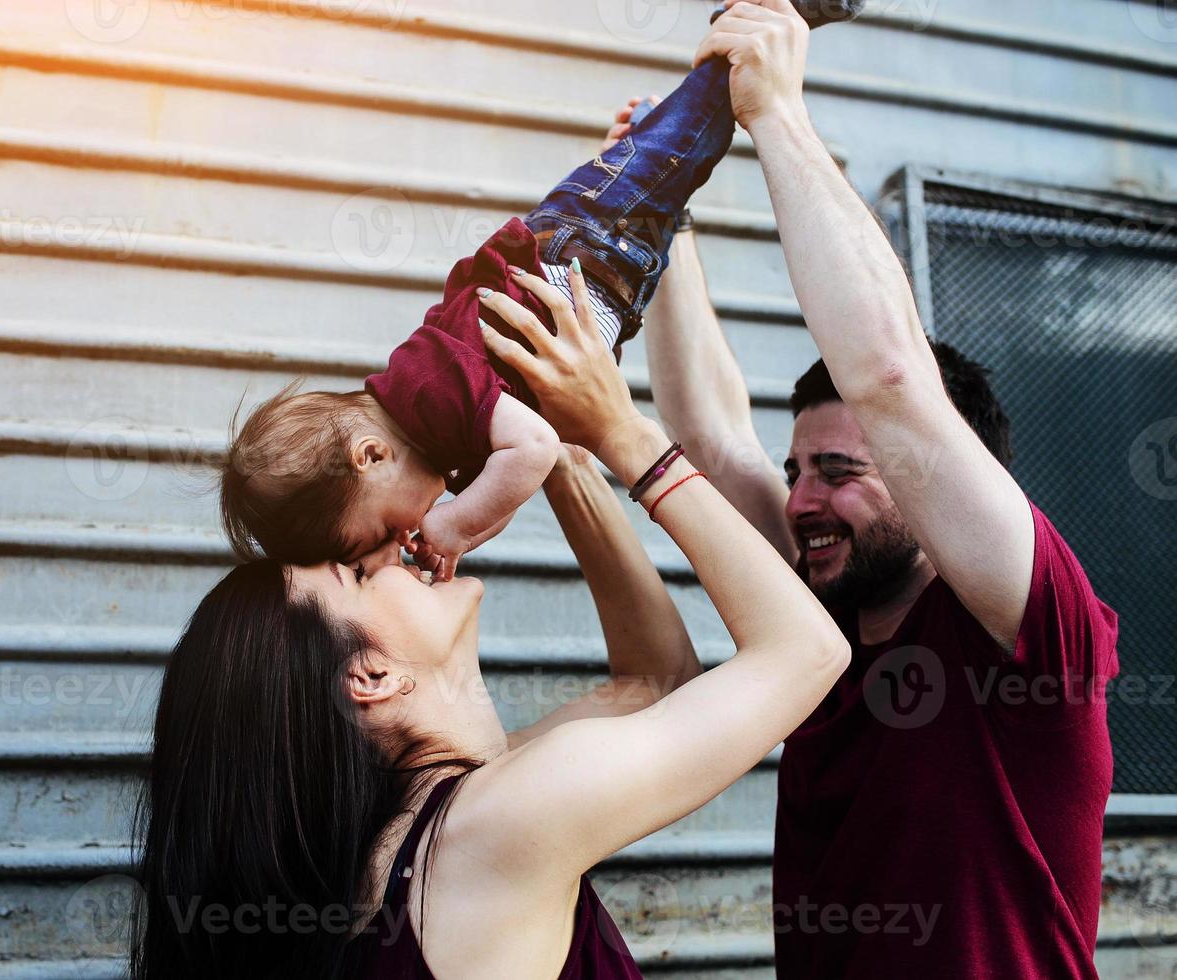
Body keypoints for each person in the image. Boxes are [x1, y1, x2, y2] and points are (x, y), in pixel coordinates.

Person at [131, 265, 850, 978]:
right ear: (371, 676)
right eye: (357, 572)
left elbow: (655, 684)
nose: (394, 552)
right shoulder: (495, 826)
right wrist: (626, 434)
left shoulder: (403, 852)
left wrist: (560, 452)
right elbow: (808, 651)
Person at [604, 1, 1121, 975]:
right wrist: (661, 208)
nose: (803, 499)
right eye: (800, 467)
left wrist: (780, 114)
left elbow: (890, 380)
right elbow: (712, 438)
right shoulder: (825, 624)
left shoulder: (1031, 633)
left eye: (842, 473)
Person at [217, 1, 862, 582]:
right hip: (607, 271)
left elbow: (537, 450)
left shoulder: (429, 399)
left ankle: (767, 17)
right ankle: (687, 88)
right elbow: (518, 471)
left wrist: (457, 525)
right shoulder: (435, 428)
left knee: (696, 135)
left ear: (369, 454)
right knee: (682, 156)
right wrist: (461, 533)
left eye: (385, 530)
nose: (406, 533)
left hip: (583, 246)